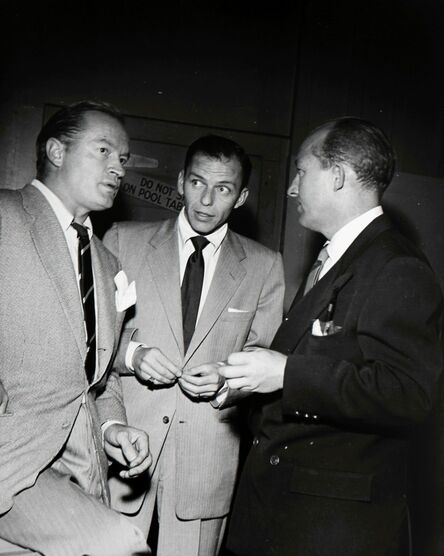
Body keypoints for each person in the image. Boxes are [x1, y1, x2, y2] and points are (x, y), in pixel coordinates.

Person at [220, 117, 444, 556]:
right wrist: (246, 378)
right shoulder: (338, 258)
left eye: (302, 172)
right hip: (284, 513)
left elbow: (411, 393)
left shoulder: (397, 266)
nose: (291, 188)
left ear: (337, 176)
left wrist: (286, 372)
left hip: (332, 530)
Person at [103, 134, 285, 556]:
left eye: (222, 189)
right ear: (182, 181)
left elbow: (265, 359)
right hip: (125, 450)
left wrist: (226, 379)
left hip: (205, 465)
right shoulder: (121, 241)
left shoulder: (264, 265)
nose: (205, 200)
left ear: (240, 197)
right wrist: (134, 354)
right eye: (198, 183)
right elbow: (94, 339)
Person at [0, 100, 152, 556]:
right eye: (103, 150)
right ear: (56, 151)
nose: (117, 168)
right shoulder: (5, 217)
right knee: (122, 543)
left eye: (122, 159)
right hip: (13, 460)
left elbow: (95, 379)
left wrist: (113, 431)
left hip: (81, 467)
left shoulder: (108, 264)